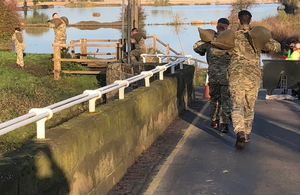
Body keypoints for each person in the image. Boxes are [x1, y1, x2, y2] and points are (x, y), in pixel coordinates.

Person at [212, 10, 281, 149]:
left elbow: (215, 50)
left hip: (236, 76)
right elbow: (276, 47)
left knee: (237, 104)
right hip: (253, 76)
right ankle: (247, 133)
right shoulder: (257, 36)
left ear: (238, 21)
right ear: (250, 20)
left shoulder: (231, 36)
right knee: (249, 105)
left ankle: (240, 131)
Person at [193, 18, 232, 133]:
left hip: (213, 75)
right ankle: (224, 124)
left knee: (214, 98)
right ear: (228, 27)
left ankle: (214, 121)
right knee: (226, 100)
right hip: (226, 76)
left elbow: (196, 48)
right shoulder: (230, 41)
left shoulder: (210, 41)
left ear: (216, 27)